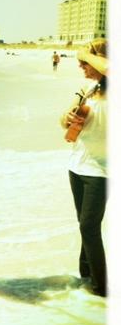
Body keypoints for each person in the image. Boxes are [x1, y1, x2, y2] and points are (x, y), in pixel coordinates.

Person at [60, 38, 108, 297]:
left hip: (102, 171)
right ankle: (85, 277)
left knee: (89, 227)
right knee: (84, 225)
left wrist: (86, 53)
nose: (81, 66)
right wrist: (66, 118)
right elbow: (63, 121)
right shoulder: (88, 88)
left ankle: (101, 291)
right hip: (77, 166)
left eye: (85, 62)